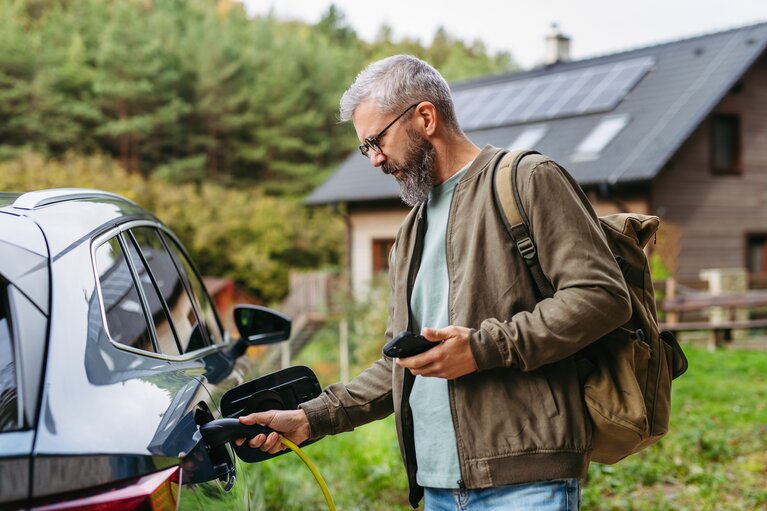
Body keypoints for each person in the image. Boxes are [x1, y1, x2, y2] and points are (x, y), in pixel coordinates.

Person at [237, 54, 631, 510]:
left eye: (376, 141)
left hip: (525, 483)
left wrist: (483, 348)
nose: (375, 159)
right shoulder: (409, 233)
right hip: (438, 487)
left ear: (425, 117)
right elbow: (399, 365)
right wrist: (311, 418)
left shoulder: (527, 179)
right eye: (366, 149)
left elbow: (601, 295)